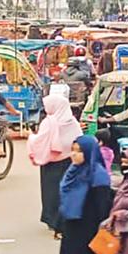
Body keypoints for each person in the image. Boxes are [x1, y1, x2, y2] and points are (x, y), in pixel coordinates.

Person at [59, 135, 114, 254]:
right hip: (73, 228)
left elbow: (102, 208)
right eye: (72, 150)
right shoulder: (73, 171)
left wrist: (99, 232)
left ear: (89, 152)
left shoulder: (98, 175)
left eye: (79, 151)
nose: (74, 154)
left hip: (90, 232)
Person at [28, 94, 84, 235]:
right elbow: (79, 139)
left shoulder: (49, 122)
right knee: (65, 190)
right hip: (69, 161)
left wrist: (31, 138)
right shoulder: (72, 122)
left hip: (51, 163)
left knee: (50, 192)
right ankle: (65, 218)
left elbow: (40, 140)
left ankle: (51, 219)